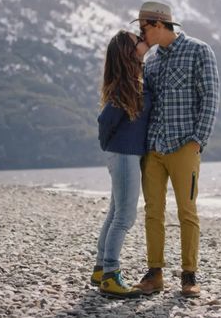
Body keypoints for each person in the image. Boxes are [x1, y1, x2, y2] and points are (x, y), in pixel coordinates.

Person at [131, 1, 220, 298]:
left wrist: (198, 139)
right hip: (153, 147)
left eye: (143, 28)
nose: (141, 34)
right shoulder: (152, 59)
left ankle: (189, 275)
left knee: (187, 211)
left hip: (185, 145)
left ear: (158, 24)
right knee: (152, 211)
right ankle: (154, 274)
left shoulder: (199, 50)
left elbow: (210, 97)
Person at [92, 30, 151, 299]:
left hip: (123, 155)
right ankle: (111, 275)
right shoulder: (124, 86)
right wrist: (109, 146)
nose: (143, 41)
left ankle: (101, 268)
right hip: (124, 155)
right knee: (125, 217)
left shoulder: (131, 81)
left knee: (115, 213)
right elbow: (105, 121)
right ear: (129, 51)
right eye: (138, 40)